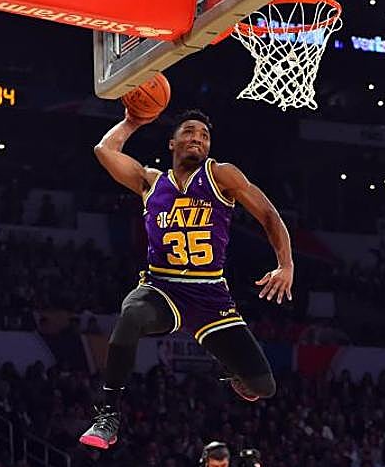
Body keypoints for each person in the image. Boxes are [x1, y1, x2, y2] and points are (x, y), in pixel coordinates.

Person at [80, 108, 293, 449]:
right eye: (190, 132)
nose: (197, 138)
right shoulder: (151, 182)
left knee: (263, 388)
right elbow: (104, 151)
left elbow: (268, 214)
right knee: (131, 314)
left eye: (204, 135)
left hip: (210, 295)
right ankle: (108, 414)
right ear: (172, 142)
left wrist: (286, 265)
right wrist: (133, 121)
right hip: (161, 288)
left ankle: (229, 366)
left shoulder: (220, 175)